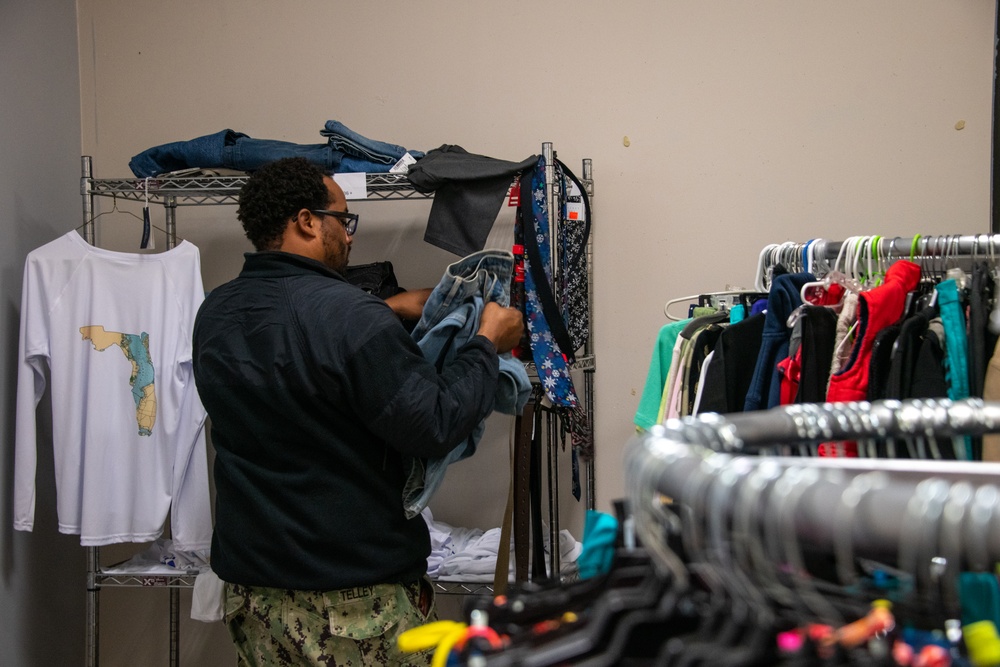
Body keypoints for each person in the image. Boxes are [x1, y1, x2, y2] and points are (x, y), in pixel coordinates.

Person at [191, 157, 524, 666]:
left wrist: (387, 309)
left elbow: (297, 364)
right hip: (352, 601)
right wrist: (485, 342)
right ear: (306, 221)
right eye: (342, 222)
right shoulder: (350, 317)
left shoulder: (215, 311)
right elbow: (434, 423)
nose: (349, 238)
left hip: (253, 593)